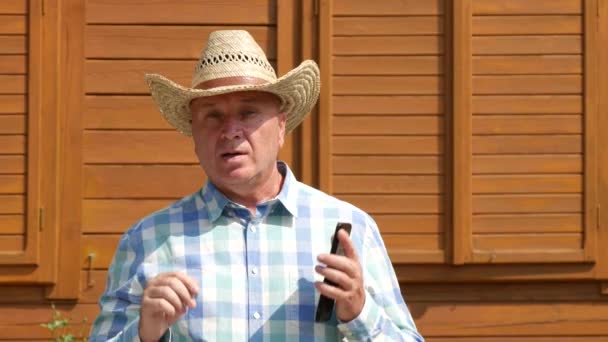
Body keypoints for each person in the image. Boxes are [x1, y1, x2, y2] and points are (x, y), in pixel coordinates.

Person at [89, 30, 424, 341]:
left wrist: (360, 312)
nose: (231, 131)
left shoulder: (351, 231)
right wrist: (145, 334)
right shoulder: (147, 240)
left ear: (280, 127)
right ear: (194, 133)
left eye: (248, 112)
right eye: (213, 115)